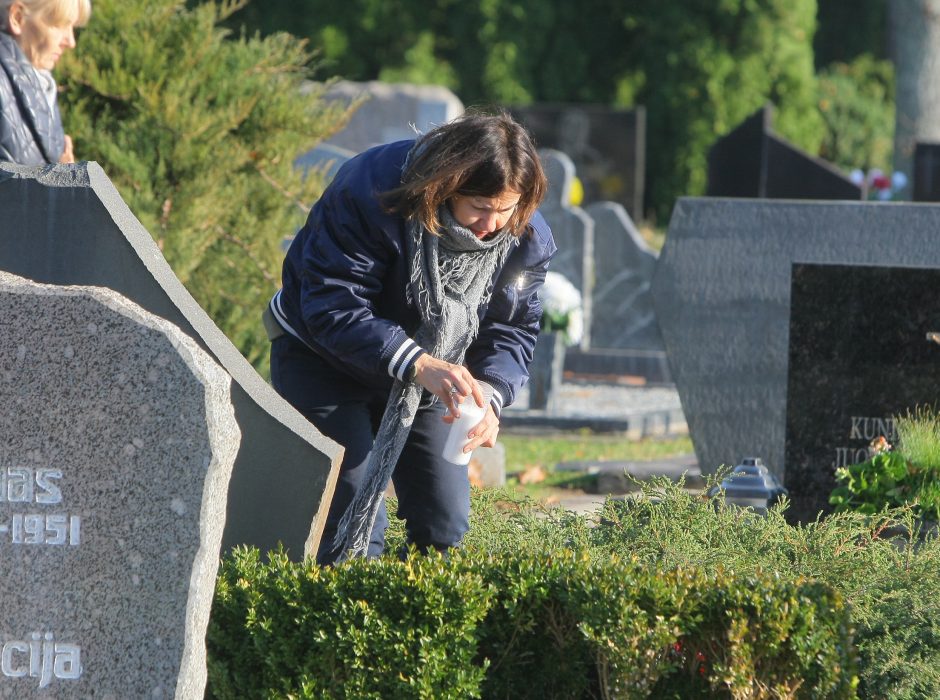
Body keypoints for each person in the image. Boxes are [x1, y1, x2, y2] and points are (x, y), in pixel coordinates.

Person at [266, 110, 556, 565]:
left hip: (435, 373)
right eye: (480, 207)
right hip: (323, 360)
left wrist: (491, 393)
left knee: (444, 524)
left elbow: (512, 326)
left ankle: (415, 624)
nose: (492, 225)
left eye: (507, 209)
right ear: (444, 186)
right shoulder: (368, 190)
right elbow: (332, 306)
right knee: (353, 515)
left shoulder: (524, 235)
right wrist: (418, 363)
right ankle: (342, 620)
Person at [0, 0, 91, 165]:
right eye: (60, 24)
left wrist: (62, 177)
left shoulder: (42, 85)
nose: (71, 42)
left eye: (72, 27)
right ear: (17, 17)